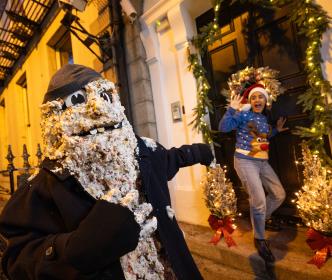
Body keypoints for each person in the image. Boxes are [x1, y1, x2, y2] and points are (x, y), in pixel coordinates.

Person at [0, 64, 214, 280]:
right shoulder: (47, 183)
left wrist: (196, 152)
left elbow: (167, 160)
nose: (99, 108)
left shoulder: (143, 151)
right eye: (78, 99)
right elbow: (16, 257)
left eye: (104, 96)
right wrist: (76, 250)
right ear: (54, 116)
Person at [219, 83, 287, 263]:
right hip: (245, 160)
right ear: (250, 101)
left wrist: (276, 131)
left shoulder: (263, 119)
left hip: (262, 161)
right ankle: (260, 238)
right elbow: (224, 127)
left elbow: (264, 135)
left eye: (260, 97)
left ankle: (263, 218)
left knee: (279, 194)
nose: (257, 100)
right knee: (259, 200)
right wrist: (232, 109)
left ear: (265, 100)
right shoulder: (243, 113)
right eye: (254, 97)